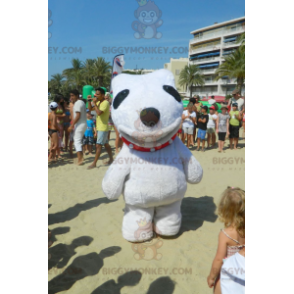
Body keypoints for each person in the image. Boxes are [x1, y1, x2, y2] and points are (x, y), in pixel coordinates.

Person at [207, 187, 245, 294]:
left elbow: (219, 260)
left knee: (219, 287)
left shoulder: (225, 234)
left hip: (229, 273)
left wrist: (211, 276)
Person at [87, 87, 114, 169]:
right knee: (106, 144)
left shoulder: (105, 103)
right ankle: (111, 159)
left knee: (98, 145)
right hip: (100, 127)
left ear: (103, 95)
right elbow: (90, 109)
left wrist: (95, 104)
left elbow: (98, 113)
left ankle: (94, 163)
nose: (96, 96)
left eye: (98, 94)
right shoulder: (98, 101)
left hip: (103, 127)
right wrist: (89, 101)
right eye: (96, 94)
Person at [68, 90, 87, 165]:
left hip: (80, 124)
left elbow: (78, 116)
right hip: (82, 123)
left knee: (77, 141)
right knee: (79, 141)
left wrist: (72, 125)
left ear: (77, 95)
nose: (71, 97)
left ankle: (80, 159)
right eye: (70, 96)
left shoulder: (78, 103)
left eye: (72, 95)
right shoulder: (81, 102)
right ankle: (81, 157)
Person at [54, 94, 66, 159]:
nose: (62, 99)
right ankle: (56, 152)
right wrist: (62, 115)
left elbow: (63, 113)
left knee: (61, 136)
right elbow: (54, 115)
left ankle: (60, 150)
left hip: (61, 123)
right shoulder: (55, 105)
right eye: (61, 98)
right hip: (57, 123)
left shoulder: (61, 105)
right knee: (58, 137)